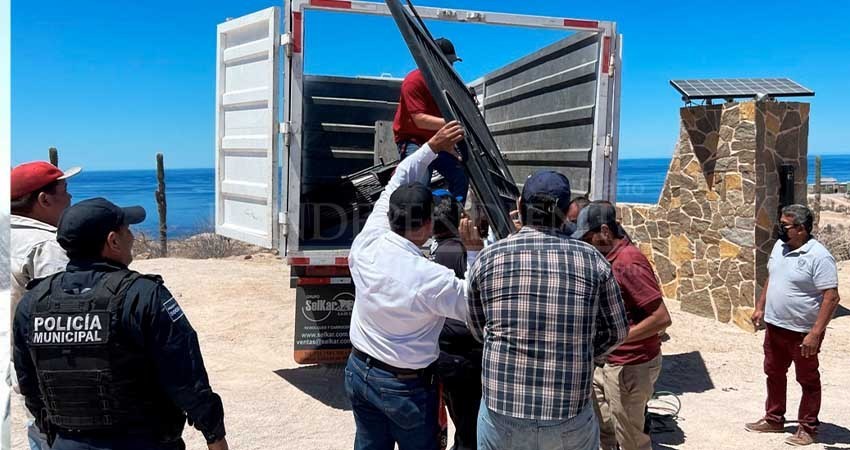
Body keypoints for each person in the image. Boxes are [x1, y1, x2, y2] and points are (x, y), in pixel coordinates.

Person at [13, 198, 228, 450]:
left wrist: (54, 436)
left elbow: (28, 382)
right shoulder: (142, 295)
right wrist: (214, 436)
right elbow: (185, 376)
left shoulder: (33, 302)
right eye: (128, 230)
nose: (133, 238)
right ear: (112, 241)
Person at [345, 121, 483, 450]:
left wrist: (430, 147)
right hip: (403, 388)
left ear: (391, 215)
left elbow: (400, 178)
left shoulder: (366, 242)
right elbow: (476, 306)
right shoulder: (428, 277)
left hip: (359, 372)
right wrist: (476, 251)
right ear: (427, 224)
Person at [467, 171, 629, 450]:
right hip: (567, 413)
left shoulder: (488, 259)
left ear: (519, 206)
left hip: (503, 412)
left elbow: (477, 327)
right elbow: (617, 331)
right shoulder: (593, 261)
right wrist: (583, 352)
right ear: (567, 213)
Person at [573, 201, 672, 450]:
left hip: (630, 365)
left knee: (631, 440)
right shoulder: (609, 260)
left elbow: (661, 318)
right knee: (605, 429)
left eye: (587, 237)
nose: (584, 243)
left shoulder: (628, 262)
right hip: (607, 362)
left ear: (605, 231)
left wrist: (617, 337)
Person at [746, 204, 840, 446]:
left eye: (785, 225)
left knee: (807, 380)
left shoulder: (819, 256)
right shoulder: (780, 247)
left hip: (802, 332)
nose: (780, 229)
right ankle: (774, 419)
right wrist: (760, 306)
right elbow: (772, 277)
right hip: (775, 326)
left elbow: (831, 297)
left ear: (800, 228)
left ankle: (808, 428)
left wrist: (815, 333)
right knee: (774, 373)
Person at [9, 161, 80, 450]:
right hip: (53, 367)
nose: (71, 197)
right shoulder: (46, 246)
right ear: (44, 199)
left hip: (20, 360)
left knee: (38, 428)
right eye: (65, 190)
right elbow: (66, 312)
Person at [430, 190, 482, 450]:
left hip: (447, 353)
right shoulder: (461, 252)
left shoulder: (434, 253)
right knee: (469, 424)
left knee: (460, 418)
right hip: (467, 355)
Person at [393, 37, 469, 202]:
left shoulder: (447, 83)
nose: (450, 66)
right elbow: (419, 120)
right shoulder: (413, 81)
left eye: (452, 63)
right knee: (418, 186)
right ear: (432, 60)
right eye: (447, 62)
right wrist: (455, 125)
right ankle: (417, 220)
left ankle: (452, 217)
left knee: (460, 175)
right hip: (413, 140)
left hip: (437, 139)